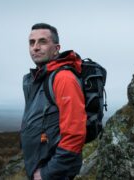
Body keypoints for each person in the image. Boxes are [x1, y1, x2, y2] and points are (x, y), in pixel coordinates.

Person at [20, 23, 87, 180]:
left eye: (42, 41)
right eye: (32, 42)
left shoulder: (63, 78)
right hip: (41, 166)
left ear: (56, 48)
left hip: (54, 172)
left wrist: (47, 174)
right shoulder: (37, 79)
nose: (35, 47)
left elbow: (75, 134)